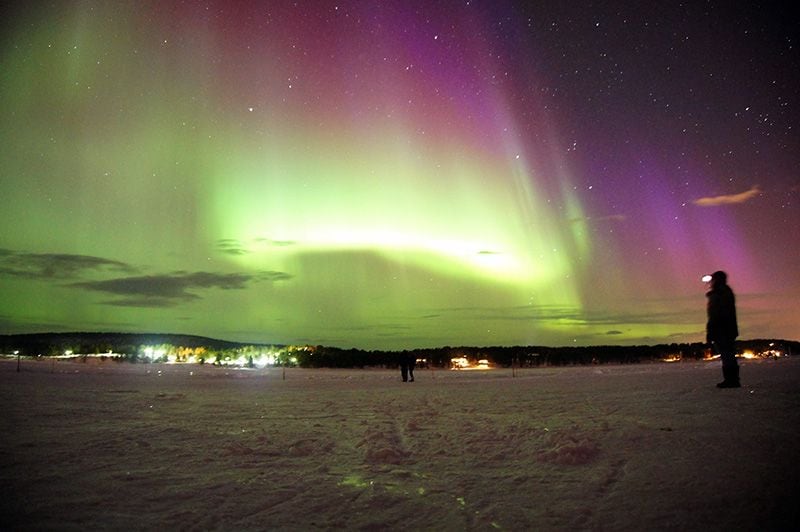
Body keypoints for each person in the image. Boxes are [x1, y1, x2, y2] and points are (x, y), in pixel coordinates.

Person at [705, 270, 740, 388]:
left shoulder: (720, 294)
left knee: (727, 354)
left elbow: (716, 314)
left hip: (722, 329)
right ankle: (732, 379)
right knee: (728, 354)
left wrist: (711, 331)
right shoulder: (724, 292)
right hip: (726, 329)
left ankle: (731, 380)